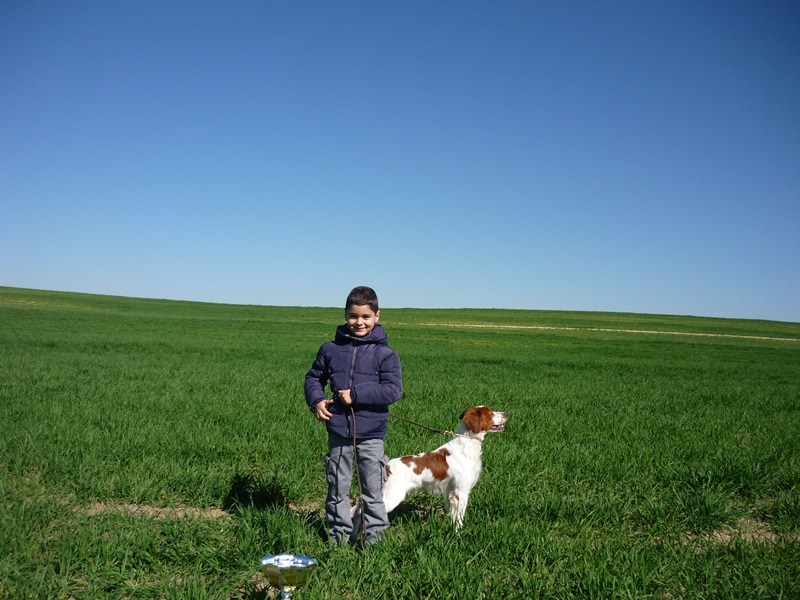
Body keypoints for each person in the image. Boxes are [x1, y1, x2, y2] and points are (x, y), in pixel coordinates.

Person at [304, 286, 402, 546]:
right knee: (337, 490)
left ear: (377, 316)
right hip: (338, 433)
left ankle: (374, 545)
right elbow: (314, 377)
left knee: (372, 493)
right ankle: (338, 543)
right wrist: (315, 400)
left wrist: (356, 394)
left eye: (366, 317)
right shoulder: (331, 349)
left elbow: (393, 391)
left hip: (371, 437)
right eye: (353, 316)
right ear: (345, 314)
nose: (359, 322)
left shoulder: (386, 355)